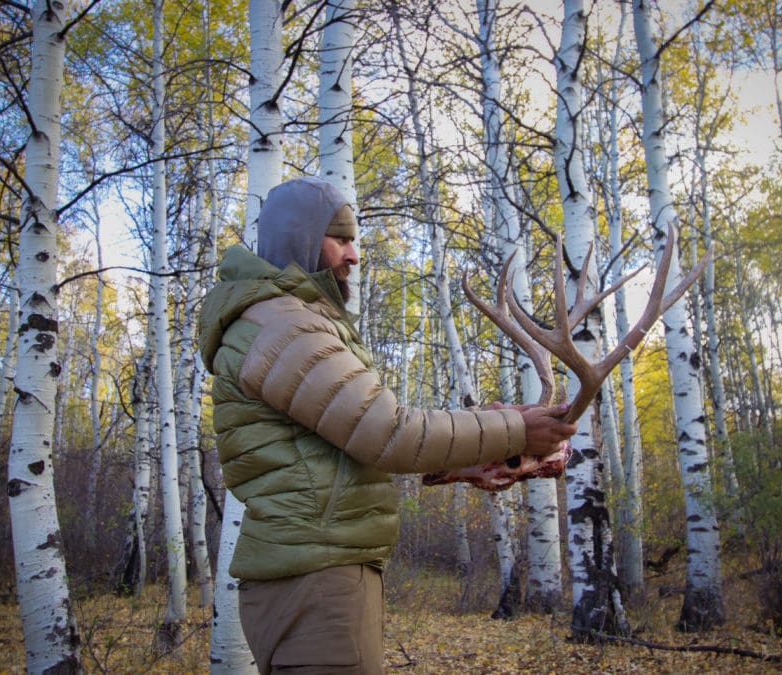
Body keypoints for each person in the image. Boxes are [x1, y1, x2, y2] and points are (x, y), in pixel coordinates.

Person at [198, 176, 576, 674]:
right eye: (340, 238)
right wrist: (514, 430)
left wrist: (471, 455)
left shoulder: (279, 321)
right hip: (319, 582)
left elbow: (339, 451)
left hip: (309, 574)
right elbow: (388, 433)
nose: (353, 255)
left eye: (354, 239)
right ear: (299, 238)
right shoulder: (283, 325)